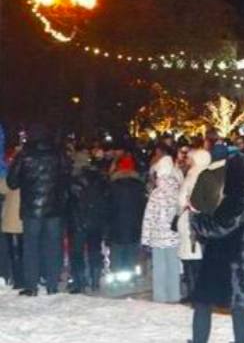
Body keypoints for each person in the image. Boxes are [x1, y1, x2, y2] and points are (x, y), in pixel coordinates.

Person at [189, 151, 244, 343]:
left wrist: (197, 219)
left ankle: (199, 340)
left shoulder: (239, 195)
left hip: (227, 259)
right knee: (238, 307)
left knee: (204, 302)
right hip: (243, 258)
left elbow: (221, 226)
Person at [6, 124, 70, 296]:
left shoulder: (24, 155)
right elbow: (66, 177)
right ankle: (52, 284)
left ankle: (31, 286)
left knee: (31, 247)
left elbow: (12, 182)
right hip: (54, 208)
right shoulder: (58, 154)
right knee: (53, 246)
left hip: (31, 208)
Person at [141, 152, 183, 303]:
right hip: (173, 235)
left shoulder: (156, 193)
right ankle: (174, 294)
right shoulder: (177, 190)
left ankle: (160, 296)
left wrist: (145, 238)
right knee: (173, 265)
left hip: (158, 236)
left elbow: (149, 217)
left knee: (159, 266)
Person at [67, 149, 110, 293]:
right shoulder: (99, 178)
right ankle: (95, 280)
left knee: (77, 252)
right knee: (94, 251)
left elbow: (69, 202)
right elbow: (105, 199)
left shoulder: (73, 180)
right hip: (96, 219)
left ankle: (79, 282)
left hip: (78, 220)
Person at [178, 148, 211, 297]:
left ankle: (193, 291)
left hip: (191, 220)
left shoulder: (192, 175)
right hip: (206, 222)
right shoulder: (211, 174)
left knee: (191, 256)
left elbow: (181, 199)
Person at [107, 153, 146, 282]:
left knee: (117, 250)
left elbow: (108, 206)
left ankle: (117, 275)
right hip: (134, 224)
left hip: (116, 224)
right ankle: (131, 274)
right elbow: (142, 207)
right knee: (132, 249)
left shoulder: (113, 186)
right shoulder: (139, 186)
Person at [0, 150, 24, 289]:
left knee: (13, 251)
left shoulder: (13, 174)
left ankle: (16, 279)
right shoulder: (33, 172)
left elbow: (3, 187)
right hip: (29, 216)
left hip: (13, 217)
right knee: (25, 250)